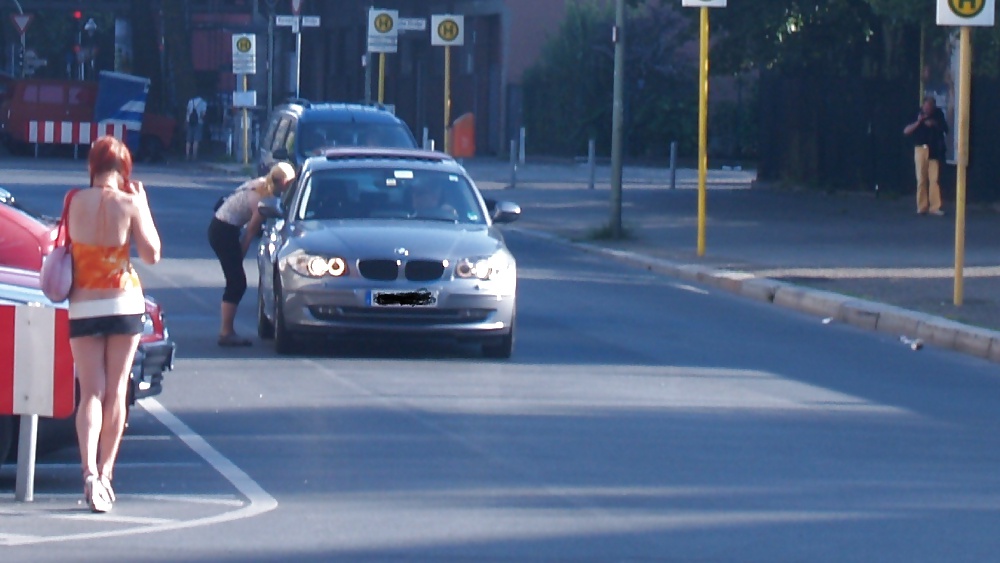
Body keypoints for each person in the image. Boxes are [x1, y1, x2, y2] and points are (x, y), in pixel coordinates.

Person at [67, 135, 161, 513]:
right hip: (124, 301)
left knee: (90, 391)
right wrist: (143, 206)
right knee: (117, 390)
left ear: (93, 167)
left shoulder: (74, 201)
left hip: (84, 302)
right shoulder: (129, 202)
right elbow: (152, 254)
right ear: (124, 171)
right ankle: (106, 475)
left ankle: (88, 472)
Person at [208, 162, 296, 347]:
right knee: (237, 283)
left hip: (222, 226)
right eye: (288, 184)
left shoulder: (262, 183)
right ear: (280, 182)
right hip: (224, 231)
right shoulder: (264, 199)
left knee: (236, 281)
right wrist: (239, 257)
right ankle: (226, 332)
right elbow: (250, 232)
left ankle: (227, 330)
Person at [903, 96, 949, 216]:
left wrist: (934, 124)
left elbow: (945, 129)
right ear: (923, 106)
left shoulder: (938, 114)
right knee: (921, 179)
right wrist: (919, 122)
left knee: (934, 179)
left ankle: (935, 206)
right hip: (920, 148)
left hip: (934, 149)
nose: (928, 109)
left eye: (930, 107)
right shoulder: (916, 114)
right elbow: (906, 131)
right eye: (926, 106)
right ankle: (922, 206)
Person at [185, 95, 208, 161]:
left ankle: (187, 155)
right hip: (199, 123)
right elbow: (203, 114)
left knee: (188, 140)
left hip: (190, 122)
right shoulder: (203, 103)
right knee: (196, 140)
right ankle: (194, 156)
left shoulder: (190, 101)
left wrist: (187, 120)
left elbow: (188, 112)